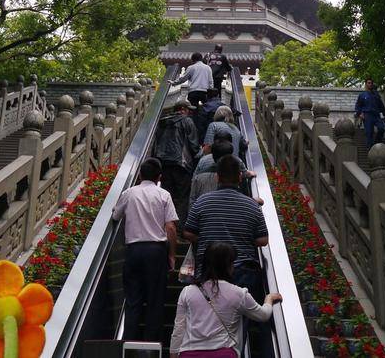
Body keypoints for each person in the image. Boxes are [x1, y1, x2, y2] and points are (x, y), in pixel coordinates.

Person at [184, 155, 271, 353]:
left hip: (209, 272)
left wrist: (207, 235)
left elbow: (188, 232)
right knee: (244, 326)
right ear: (240, 177)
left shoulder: (202, 202)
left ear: (217, 177)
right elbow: (263, 240)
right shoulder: (252, 205)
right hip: (243, 272)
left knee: (206, 322)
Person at [169, 242, 282, 358]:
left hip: (189, 353)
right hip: (223, 353)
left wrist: (173, 353)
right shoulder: (239, 293)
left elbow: (179, 328)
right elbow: (263, 315)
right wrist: (269, 299)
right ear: (228, 266)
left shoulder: (187, 292)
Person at [112, 157, 178, 344]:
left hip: (133, 251)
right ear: (159, 177)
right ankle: (150, 345)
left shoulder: (129, 193)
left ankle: (128, 343)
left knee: (133, 301)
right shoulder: (164, 194)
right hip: (156, 252)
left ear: (140, 174)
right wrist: (172, 255)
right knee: (155, 301)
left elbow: (115, 215)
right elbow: (171, 228)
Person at [153, 98, 201, 228]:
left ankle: (164, 227)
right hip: (181, 165)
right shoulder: (187, 121)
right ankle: (178, 229)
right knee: (182, 197)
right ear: (182, 110)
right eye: (188, 110)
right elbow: (193, 145)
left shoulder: (163, 122)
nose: (190, 113)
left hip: (163, 164)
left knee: (166, 196)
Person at [355, 77, 385, 149]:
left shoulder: (376, 95)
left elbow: (381, 105)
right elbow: (358, 106)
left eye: (371, 83)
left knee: (381, 128)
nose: (370, 84)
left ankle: (376, 143)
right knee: (369, 133)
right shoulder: (362, 95)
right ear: (366, 84)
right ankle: (369, 149)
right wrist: (360, 114)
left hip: (376, 115)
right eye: (368, 83)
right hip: (367, 116)